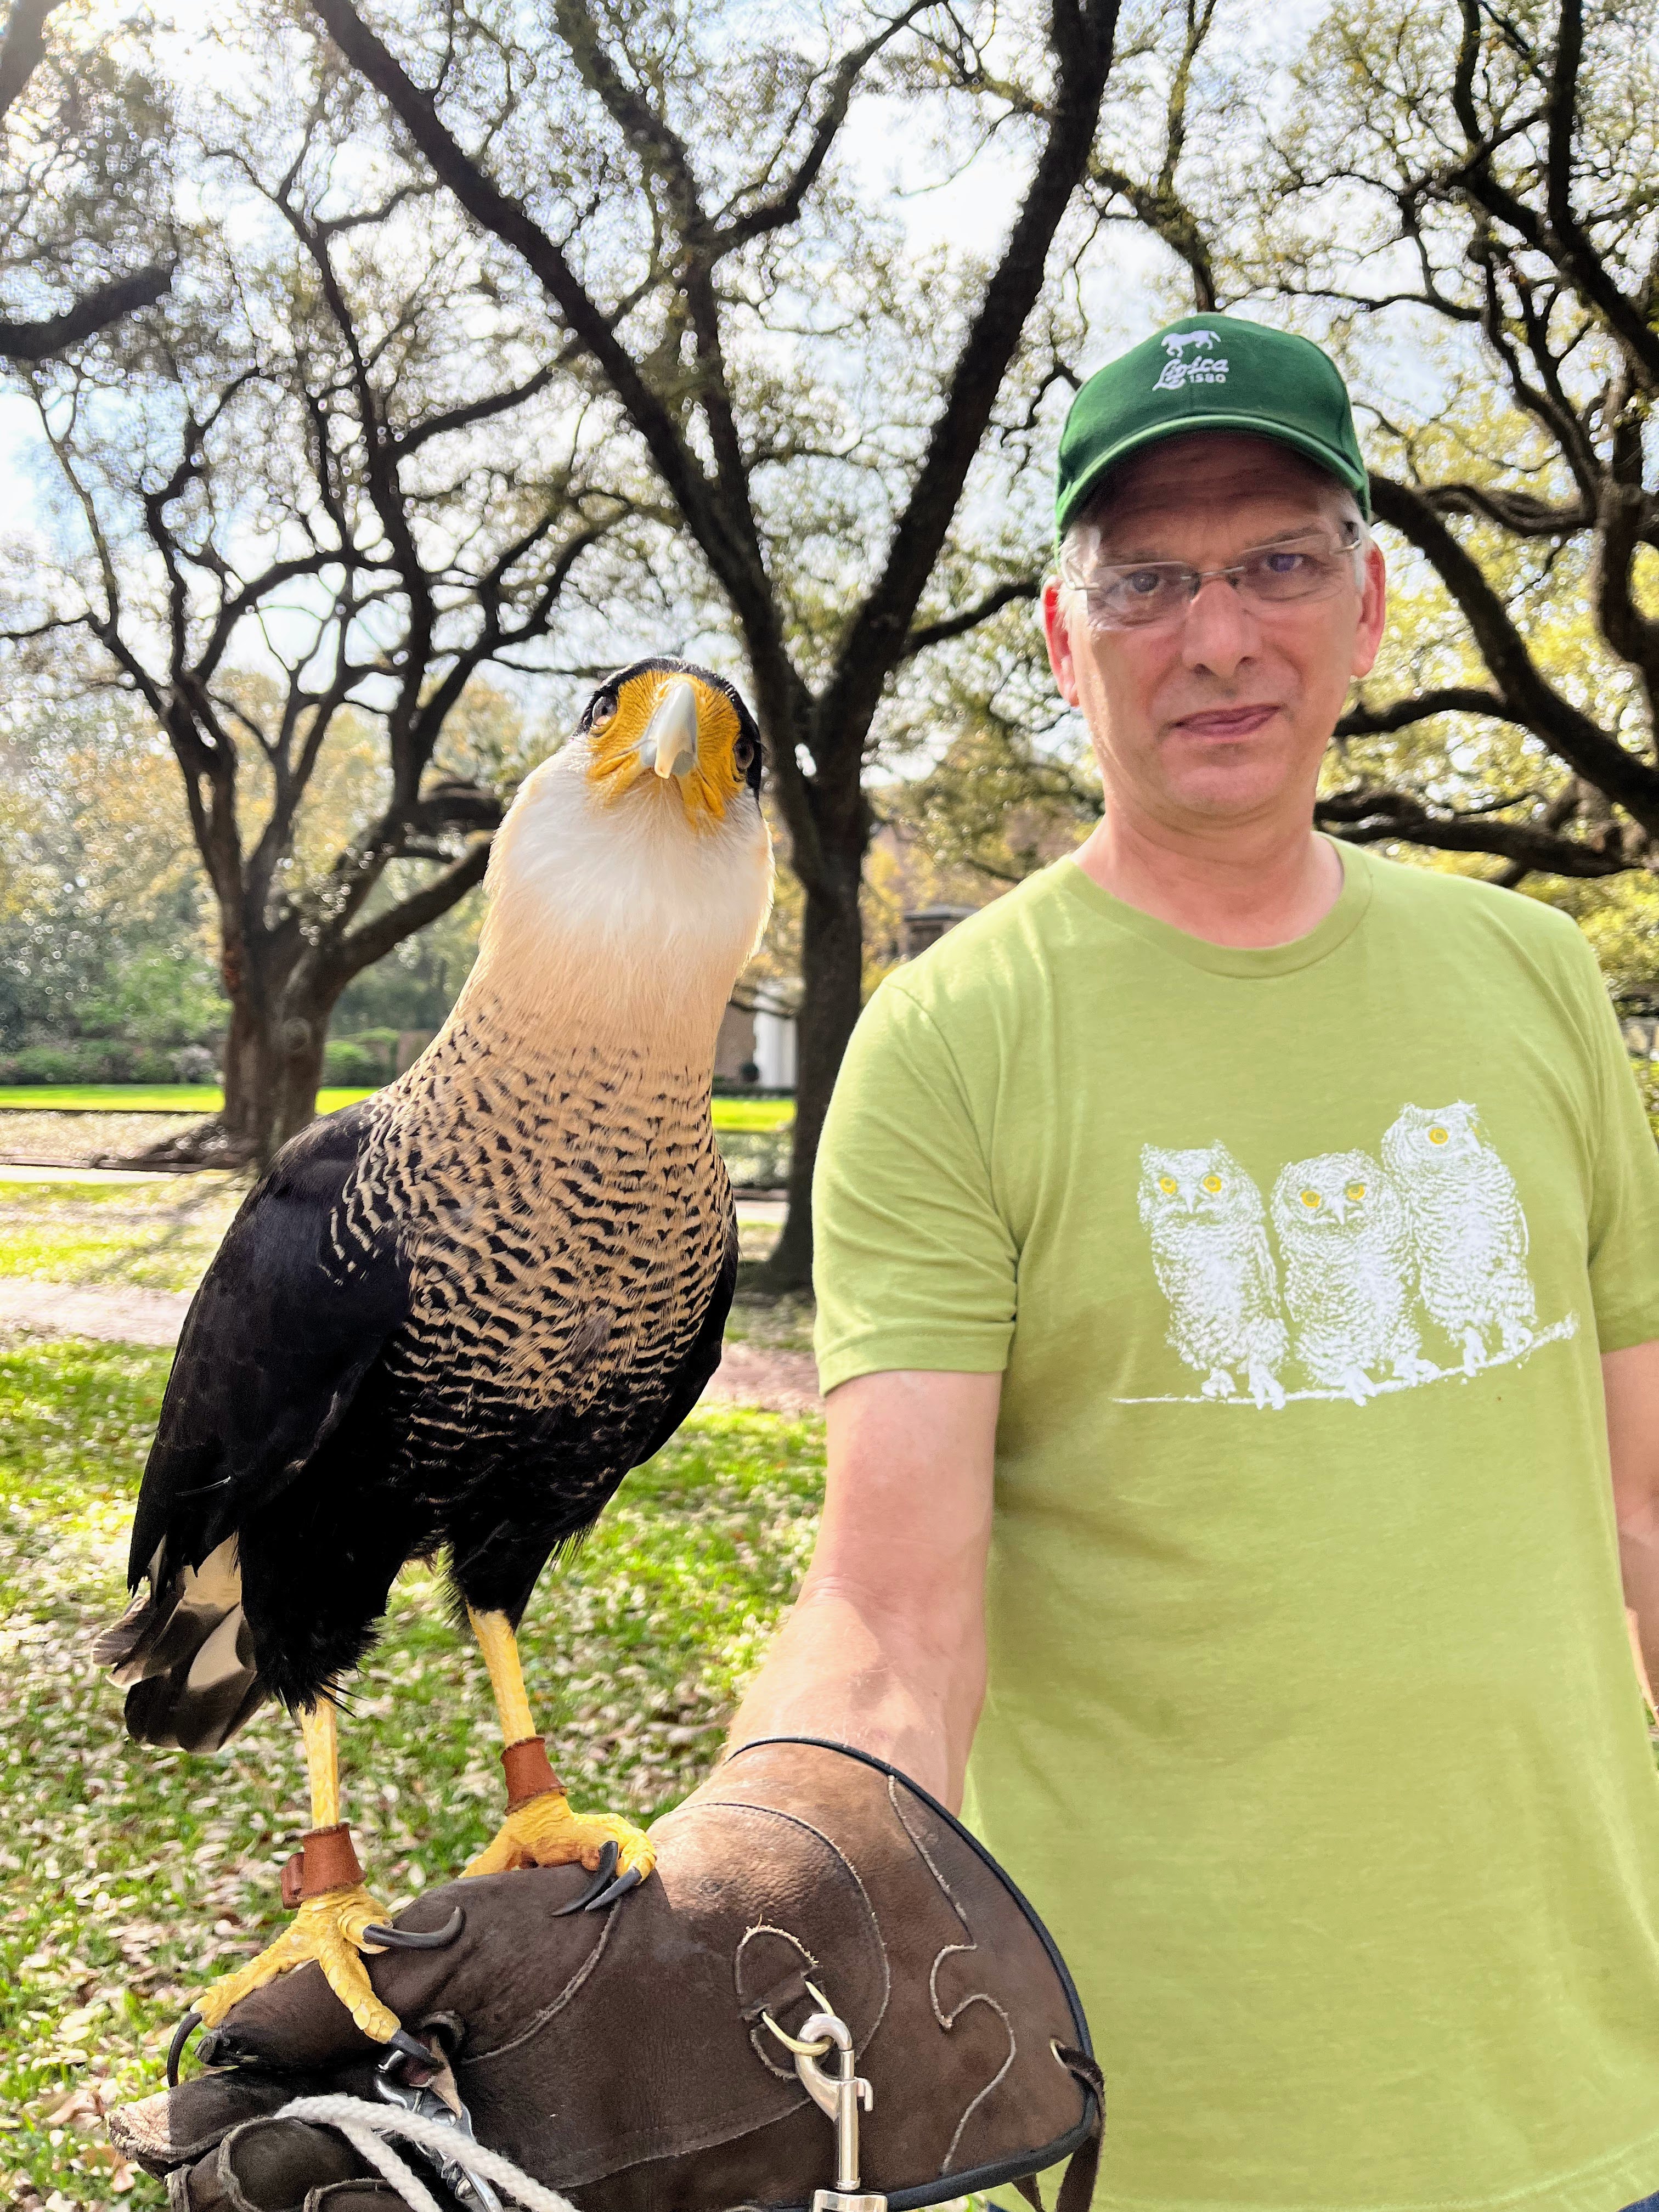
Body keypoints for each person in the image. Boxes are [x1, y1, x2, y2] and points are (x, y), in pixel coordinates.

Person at [727, 314, 1659, 2212]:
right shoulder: (952, 1043)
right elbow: (896, 1621)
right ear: (1066, 646)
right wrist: (737, 1890)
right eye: (1146, 581)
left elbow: (1647, 1511)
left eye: (1277, 562)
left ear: (1371, 606)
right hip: (1151, 2132)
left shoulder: (1537, 984)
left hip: (1597, 2090)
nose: (1218, 636)